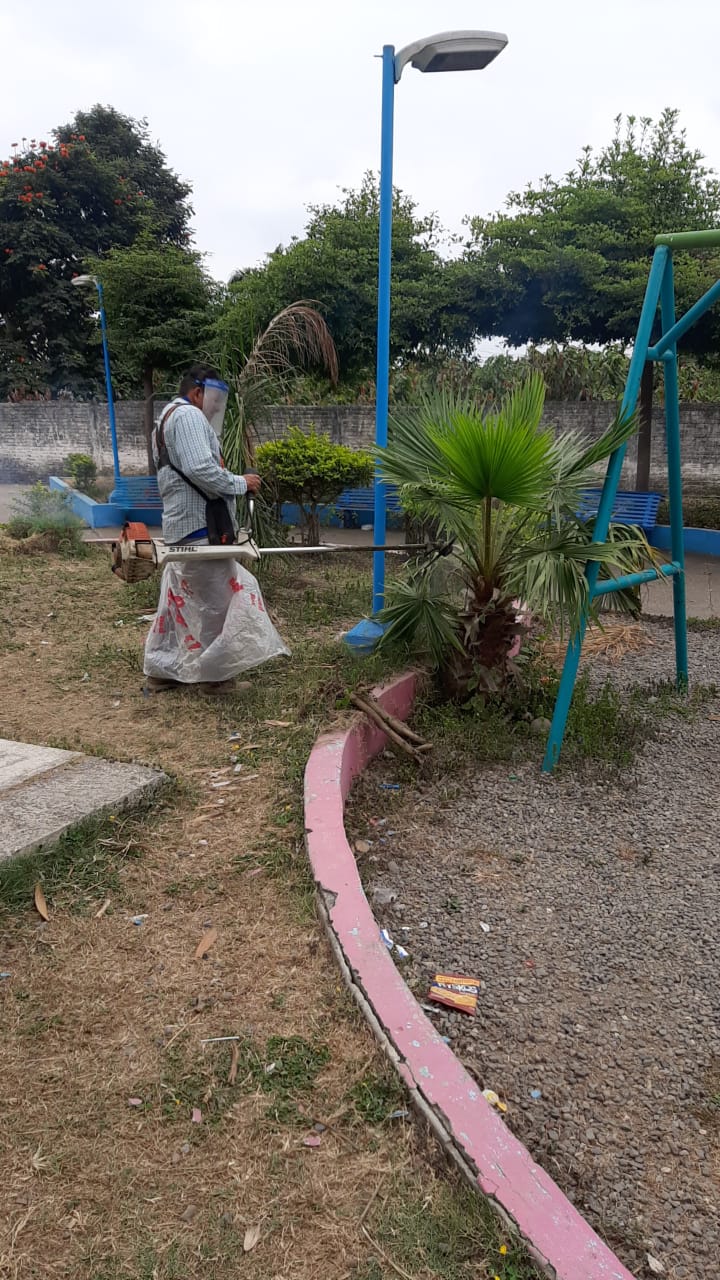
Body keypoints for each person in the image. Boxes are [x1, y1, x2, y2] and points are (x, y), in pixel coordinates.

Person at [143, 363, 289, 695]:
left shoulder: (166, 418)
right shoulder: (188, 416)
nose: (215, 408)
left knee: (178, 599)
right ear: (197, 393)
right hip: (200, 527)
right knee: (221, 603)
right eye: (214, 400)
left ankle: (161, 670)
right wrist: (241, 482)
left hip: (183, 525)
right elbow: (200, 469)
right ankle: (215, 678)